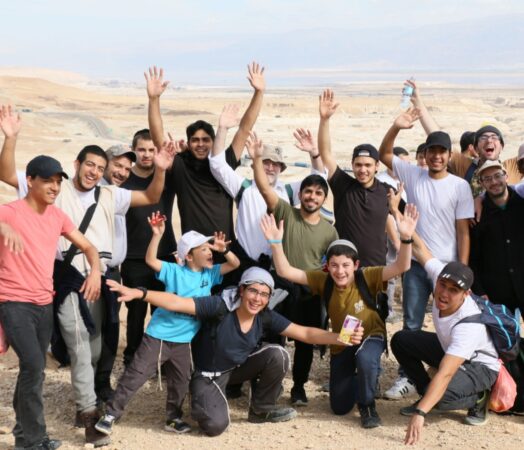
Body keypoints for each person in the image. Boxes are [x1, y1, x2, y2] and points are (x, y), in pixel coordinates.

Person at [0, 106, 175, 446]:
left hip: (100, 279)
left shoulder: (109, 195)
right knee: (79, 347)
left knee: (96, 349)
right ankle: (88, 416)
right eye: (89, 165)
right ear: (77, 165)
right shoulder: (54, 192)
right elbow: (7, 175)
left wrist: (162, 170)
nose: (94, 171)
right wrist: (11, 138)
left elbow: (152, 196)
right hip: (64, 280)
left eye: (100, 167)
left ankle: (36, 422)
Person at [105, 267, 364, 437]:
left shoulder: (265, 316)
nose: (257, 298)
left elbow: (305, 333)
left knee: (278, 354)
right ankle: (201, 403)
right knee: (216, 427)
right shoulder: (219, 306)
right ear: (241, 290)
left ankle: (261, 408)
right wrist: (140, 293)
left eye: (264, 294)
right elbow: (177, 302)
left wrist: (340, 337)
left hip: (237, 368)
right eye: (253, 290)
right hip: (207, 375)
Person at [261, 204, 418, 428]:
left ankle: (367, 405)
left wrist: (406, 238)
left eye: (345, 265)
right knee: (339, 407)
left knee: (365, 359)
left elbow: (402, 266)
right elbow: (286, 271)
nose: (340, 271)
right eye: (334, 265)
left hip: (370, 335)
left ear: (356, 265)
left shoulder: (367, 276)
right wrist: (276, 243)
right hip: (342, 338)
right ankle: (364, 380)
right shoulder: (324, 280)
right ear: (327, 266)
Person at [0, 106, 102, 450]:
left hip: (44, 302)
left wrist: (96, 271)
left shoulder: (57, 216)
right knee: (32, 367)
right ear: (30, 181)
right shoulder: (10, 211)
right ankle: (34, 440)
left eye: (59, 181)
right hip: (13, 302)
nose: (55, 187)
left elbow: (88, 246)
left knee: (33, 371)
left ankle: (22, 435)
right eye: (48, 181)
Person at [95, 215, 240, 436]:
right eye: (203, 249)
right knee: (136, 374)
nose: (210, 252)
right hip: (159, 337)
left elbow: (235, 264)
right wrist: (157, 235)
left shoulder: (210, 275)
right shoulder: (174, 271)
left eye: (209, 248)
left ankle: (173, 418)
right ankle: (111, 414)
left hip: (184, 342)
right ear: (189, 256)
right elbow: (151, 260)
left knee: (180, 382)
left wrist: (223, 249)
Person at [379, 108, 474, 400]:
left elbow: (463, 232)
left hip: (448, 268)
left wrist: (463, 273)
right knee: (411, 322)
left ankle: (457, 377)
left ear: (448, 155)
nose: (436, 157)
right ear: (426, 153)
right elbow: (384, 154)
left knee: (454, 324)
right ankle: (408, 377)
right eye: (431, 151)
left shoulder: (459, 186)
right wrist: (396, 127)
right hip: (417, 264)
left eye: (442, 152)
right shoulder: (413, 174)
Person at [251, 131, 338, 406]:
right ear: (300, 194)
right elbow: (265, 188)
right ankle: (268, 387)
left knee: (304, 343)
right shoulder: (286, 212)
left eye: (318, 193)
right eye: (308, 191)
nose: (312, 196)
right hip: (280, 288)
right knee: (273, 338)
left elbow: (333, 266)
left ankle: (298, 387)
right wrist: (255, 159)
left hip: (310, 292)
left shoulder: (329, 231)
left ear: (323, 198)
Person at [389, 229, 499, 445]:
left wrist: (420, 413)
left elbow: (446, 373)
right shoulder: (441, 275)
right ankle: (426, 393)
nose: (444, 294)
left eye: (453, 290)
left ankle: (479, 396)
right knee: (401, 340)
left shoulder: (469, 324)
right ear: (438, 279)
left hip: (480, 366)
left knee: (441, 395)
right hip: (450, 349)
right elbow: (422, 251)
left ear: (465, 294)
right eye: (442, 286)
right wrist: (408, 231)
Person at [147, 62, 265, 240]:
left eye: (205, 140)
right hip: (194, 253)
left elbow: (244, 129)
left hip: (226, 250)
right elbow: (158, 138)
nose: (200, 144)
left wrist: (258, 93)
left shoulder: (224, 163)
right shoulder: (180, 165)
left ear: (213, 141)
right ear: (188, 142)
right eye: (195, 140)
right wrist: (154, 100)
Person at [210, 102, 325, 278]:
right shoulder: (244, 187)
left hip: (278, 266)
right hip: (245, 264)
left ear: (281, 168)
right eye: (266, 162)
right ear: (257, 163)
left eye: (275, 164)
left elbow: (319, 180)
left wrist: (314, 153)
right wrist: (222, 128)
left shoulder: (287, 191)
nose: (270, 168)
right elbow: (217, 164)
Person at [120, 129, 178, 368]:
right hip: (134, 258)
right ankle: (132, 358)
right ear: (134, 150)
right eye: (141, 149)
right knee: (135, 313)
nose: (146, 155)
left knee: (164, 310)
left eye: (151, 150)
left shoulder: (165, 177)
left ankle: (162, 359)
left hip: (164, 255)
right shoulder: (123, 181)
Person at [317, 89, 392, 267]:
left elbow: (407, 218)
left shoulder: (387, 191)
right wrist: (324, 120)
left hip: (376, 270)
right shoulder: (343, 185)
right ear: (352, 165)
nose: (362, 170)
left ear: (377, 166)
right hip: (344, 269)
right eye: (358, 165)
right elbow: (325, 153)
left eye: (368, 165)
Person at [95, 144, 136, 402]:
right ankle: (88, 394)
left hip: (113, 272)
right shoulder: (96, 192)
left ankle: (101, 385)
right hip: (92, 271)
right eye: (117, 165)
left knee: (110, 328)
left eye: (126, 168)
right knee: (91, 330)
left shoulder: (118, 193)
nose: (121, 172)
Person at [469, 160, 524, 312]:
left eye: (497, 176)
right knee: (505, 336)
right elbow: (473, 258)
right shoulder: (476, 216)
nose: (494, 182)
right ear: (481, 183)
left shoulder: (522, 204)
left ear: (506, 176)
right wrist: (479, 290)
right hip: (496, 294)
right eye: (487, 179)